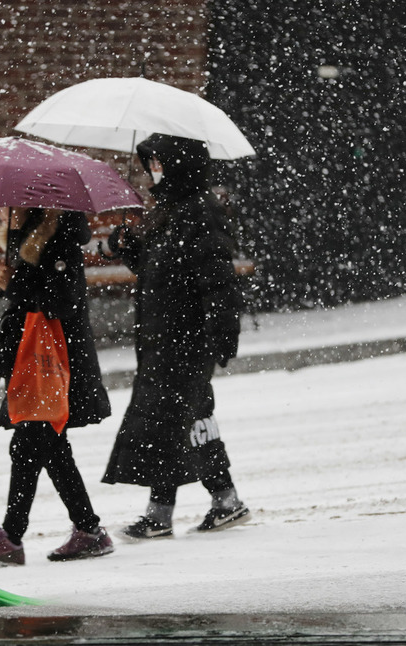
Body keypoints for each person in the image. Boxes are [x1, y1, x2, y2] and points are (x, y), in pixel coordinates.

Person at [102, 134, 249, 538]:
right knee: (194, 419)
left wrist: (223, 333)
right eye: (150, 165)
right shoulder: (170, 211)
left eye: (159, 164)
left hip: (185, 339)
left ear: (180, 167)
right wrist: (129, 246)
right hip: (163, 337)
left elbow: (217, 279)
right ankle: (226, 500)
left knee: (162, 424)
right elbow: (158, 271)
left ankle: (160, 513)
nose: (153, 172)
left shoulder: (199, 212)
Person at [0, 207, 114, 565]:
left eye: (8, 203)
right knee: (51, 449)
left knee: (30, 446)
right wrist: (3, 284)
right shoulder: (24, 238)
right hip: (35, 363)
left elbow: (61, 300)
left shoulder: (60, 238)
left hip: (57, 364)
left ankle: (11, 537)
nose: (0, 209)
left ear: (29, 204)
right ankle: (89, 531)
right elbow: (25, 298)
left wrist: (16, 282)